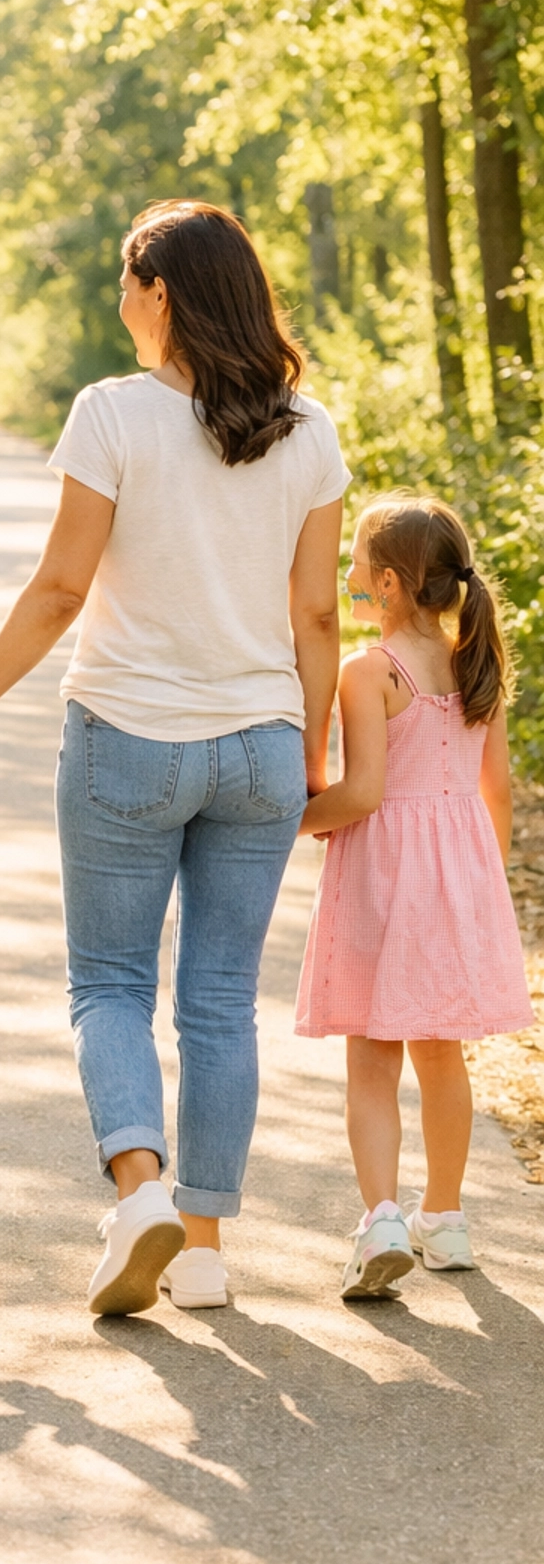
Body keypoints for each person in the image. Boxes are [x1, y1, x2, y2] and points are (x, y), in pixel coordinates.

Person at [0, 202, 348, 1315]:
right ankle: (201, 1254)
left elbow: (60, 589)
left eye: (124, 283)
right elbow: (319, 618)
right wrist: (313, 748)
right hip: (259, 743)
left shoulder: (112, 415)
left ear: (160, 293)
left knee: (108, 983)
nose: (119, 304)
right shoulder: (312, 431)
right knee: (219, 1005)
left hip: (128, 742)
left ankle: (138, 1188)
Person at [295, 497, 529, 1298]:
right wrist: (477, 886)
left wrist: (289, 823)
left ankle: (383, 1220)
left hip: (380, 878)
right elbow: (494, 795)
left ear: (388, 584)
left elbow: (360, 794)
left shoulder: (370, 672)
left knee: (371, 1057)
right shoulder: (478, 665)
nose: (351, 577)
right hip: (460, 880)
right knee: (442, 1053)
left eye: (357, 565)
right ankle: (447, 1217)